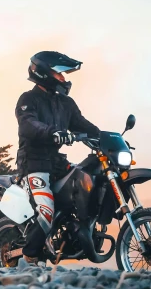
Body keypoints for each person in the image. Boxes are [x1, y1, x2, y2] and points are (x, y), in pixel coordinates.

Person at [15, 51, 100, 264]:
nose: (64, 78)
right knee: (46, 211)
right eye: (59, 74)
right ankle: (30, 255)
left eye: (64, 74)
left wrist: (106, 138)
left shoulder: (65, 103)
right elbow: (28, 124)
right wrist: (52, 132)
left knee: (86, 182)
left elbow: (83, 125)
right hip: (34, 163)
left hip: (56, 163)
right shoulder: (28, 99)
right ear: (44, 73)